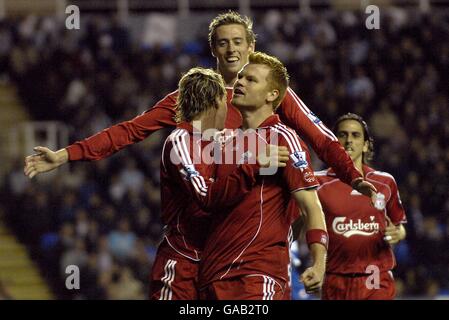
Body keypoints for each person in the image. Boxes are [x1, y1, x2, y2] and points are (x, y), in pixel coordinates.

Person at [24, 11, 376, 202]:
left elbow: (320, 137)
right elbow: (130, 131)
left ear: (251, 45)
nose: (231, 49)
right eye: (223, 43)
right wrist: (66, 155)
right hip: (204, 220)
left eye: (238, 41)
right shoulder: (192, 97)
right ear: (213, 50)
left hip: (259, 221)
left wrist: (353, 176)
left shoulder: (275, 93)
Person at [150, 67, 289, 300]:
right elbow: (206, 195)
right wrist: (254, 164)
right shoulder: (181, 142)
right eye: (227, 101)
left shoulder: (224, 142)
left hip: (216, 266)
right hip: (182, 265)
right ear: (216, 102)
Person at [197, 52, 328, 300]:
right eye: (241, 77)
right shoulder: (221, 143)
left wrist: (318, 262)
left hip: (257, 276)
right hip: (212, 277)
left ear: (272, 95)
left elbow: (311, 207)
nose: (240, 82)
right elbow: (209, 201)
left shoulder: (283, 139)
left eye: (251, 80)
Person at [315, 113, 407, 300]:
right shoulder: (317, 182)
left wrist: (399, 233)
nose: (349, 140)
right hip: (335, 279)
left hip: (375, 277)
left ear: (366, 145)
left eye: (356, 135)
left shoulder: (385, 182)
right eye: (343, 135)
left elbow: (399, 225)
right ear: (334, 142)